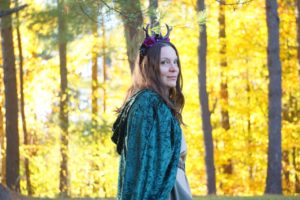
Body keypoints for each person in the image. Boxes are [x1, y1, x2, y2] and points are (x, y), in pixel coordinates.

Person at [112, 24, 192, 200]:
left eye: (175, 62)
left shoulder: (152, 103)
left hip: (173, 185)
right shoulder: (149, 104)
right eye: (164, 63)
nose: (174, 69)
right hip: (166, 191)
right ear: (150, 68)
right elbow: (147, 168)